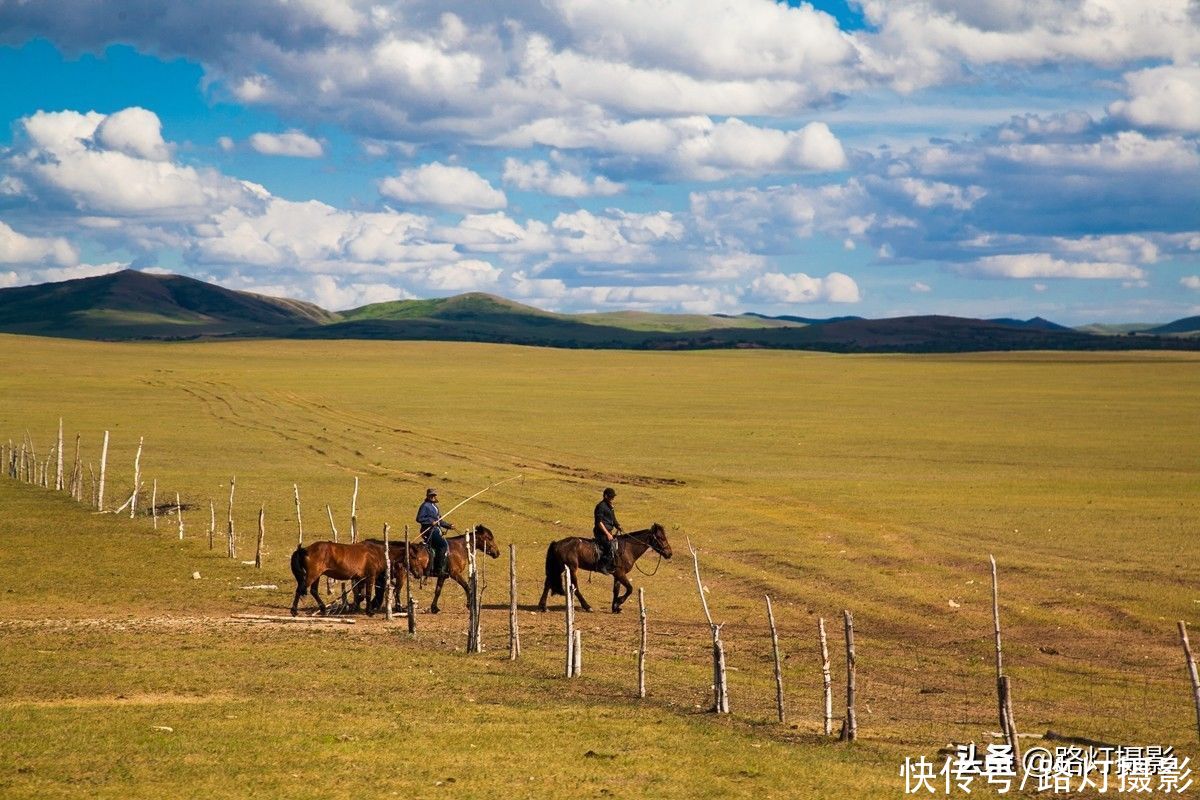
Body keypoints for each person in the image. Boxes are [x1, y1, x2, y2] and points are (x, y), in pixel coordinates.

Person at [417, 487, 454, 576]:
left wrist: (448, 525)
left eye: (434, 495)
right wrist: (431, 522)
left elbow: (439, 520)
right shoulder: (425, 505)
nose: (433, 497)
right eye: (431, 495)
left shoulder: (435, 507)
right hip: (429, 531)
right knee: (443, 545)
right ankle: (439, 569)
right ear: (428, 496)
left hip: (436, 530)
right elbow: (419, 518)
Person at [593, 487, 622, 575]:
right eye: (611, 497)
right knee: (609, 546)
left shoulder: (609, 506)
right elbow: (599, 522)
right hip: (601, 532)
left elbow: (613, 519)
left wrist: (618, 526)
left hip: (608, 531)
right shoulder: (601, 506)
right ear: (605, 496)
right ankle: (602, 565)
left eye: (613, 497)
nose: (612, 498)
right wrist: (607, 534)